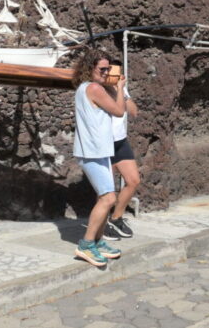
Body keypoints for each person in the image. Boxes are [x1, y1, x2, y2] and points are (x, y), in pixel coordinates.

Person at [70, 49, 126, 268]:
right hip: (92, 152)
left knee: (102, 197)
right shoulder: (93, 88)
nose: (105, 72)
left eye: (108, 69)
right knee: (108, 198)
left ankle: (98, 241)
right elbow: (120, 111)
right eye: (102, 69)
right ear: (90, 68)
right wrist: (119, 88)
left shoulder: (86, 88)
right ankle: (86, 244)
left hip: (98, 151)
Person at [103, 68, 140, 241]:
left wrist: (122, 91)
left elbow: (133, 112)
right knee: (106, 190)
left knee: (133, 181)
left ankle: (115, 219)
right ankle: (101, 226)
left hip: (120, 141)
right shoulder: (97, 89)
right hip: (104, 143)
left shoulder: (120, 89)